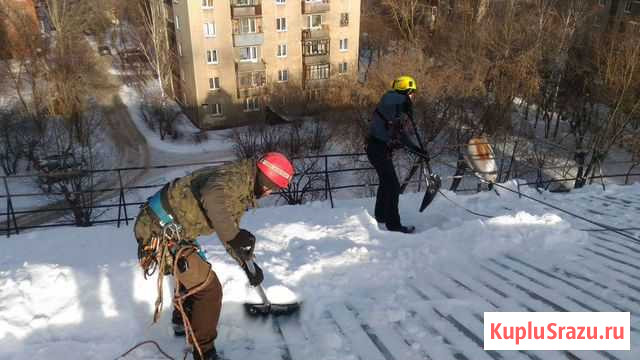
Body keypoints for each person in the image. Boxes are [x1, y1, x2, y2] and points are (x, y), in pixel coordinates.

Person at [133, 152, 294, 360]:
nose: (271, 193)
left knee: (192, 273)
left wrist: (246, 264)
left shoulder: (243, 185)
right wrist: (234, 236)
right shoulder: (235, 179)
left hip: (175, 229)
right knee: (209, 290)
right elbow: (211, 195)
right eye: (273, 188)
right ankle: (204, 353)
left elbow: (227, 227)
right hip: (158, 229)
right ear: (265, 180)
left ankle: (182, 322)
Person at [366, 75, 423, 234]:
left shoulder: (396, 111)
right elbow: (389, 98)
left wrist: (416, 149)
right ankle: (394, 225)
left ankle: (381, 216)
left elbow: (401, 135)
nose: (414, 97)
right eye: (412, 93)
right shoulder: (392, 100)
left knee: (386, 183)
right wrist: (405, 101)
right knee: (392, 186)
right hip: (376, 149)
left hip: (380, 150)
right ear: (406, 91)